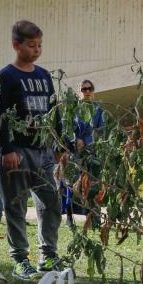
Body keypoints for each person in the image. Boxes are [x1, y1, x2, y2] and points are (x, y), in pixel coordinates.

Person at [0, 20, 63, 281]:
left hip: (43, 150)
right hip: (17, 152)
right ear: (16, 45)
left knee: (50, 202)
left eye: (40, 45)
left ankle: (49, 254)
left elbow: (54, 110)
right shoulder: (7, 77)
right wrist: (7, 149)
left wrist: (58, 143)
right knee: (16, 206)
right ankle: (20, 259)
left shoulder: (44, 76)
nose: (37, 50)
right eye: (32, 45)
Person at [63, 79, 105, 227]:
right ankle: (69, 217)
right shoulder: (73, 110)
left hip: (92, 152)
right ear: (79, 92)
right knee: (72, 183)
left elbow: (101, 131)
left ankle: (94, 217)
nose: (87, 91)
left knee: (93, 184)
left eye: (89, 89)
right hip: (76, 153)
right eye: (84, 89)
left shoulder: (99, 110)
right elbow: (66, 129)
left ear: (93, 91)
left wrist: (87, 141)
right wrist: (76, 140)